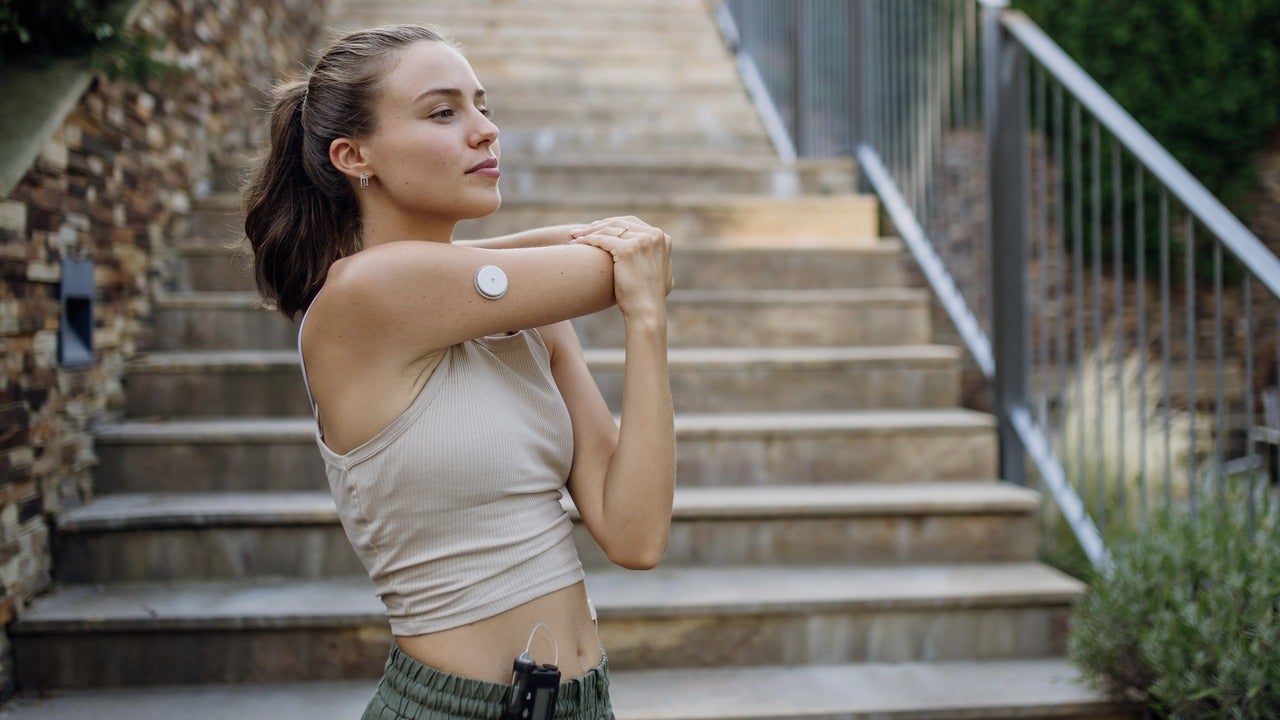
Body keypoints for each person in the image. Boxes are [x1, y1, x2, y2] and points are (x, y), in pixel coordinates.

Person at [241, 23, 675, 720]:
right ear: (355, 156)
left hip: (582, 704)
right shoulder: (362, 295)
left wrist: (647, 328)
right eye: (443, 112)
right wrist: (634, 275)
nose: (483, 132)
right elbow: (609, 261)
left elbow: (636, 535)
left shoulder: (528, 312)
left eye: (483, 106)